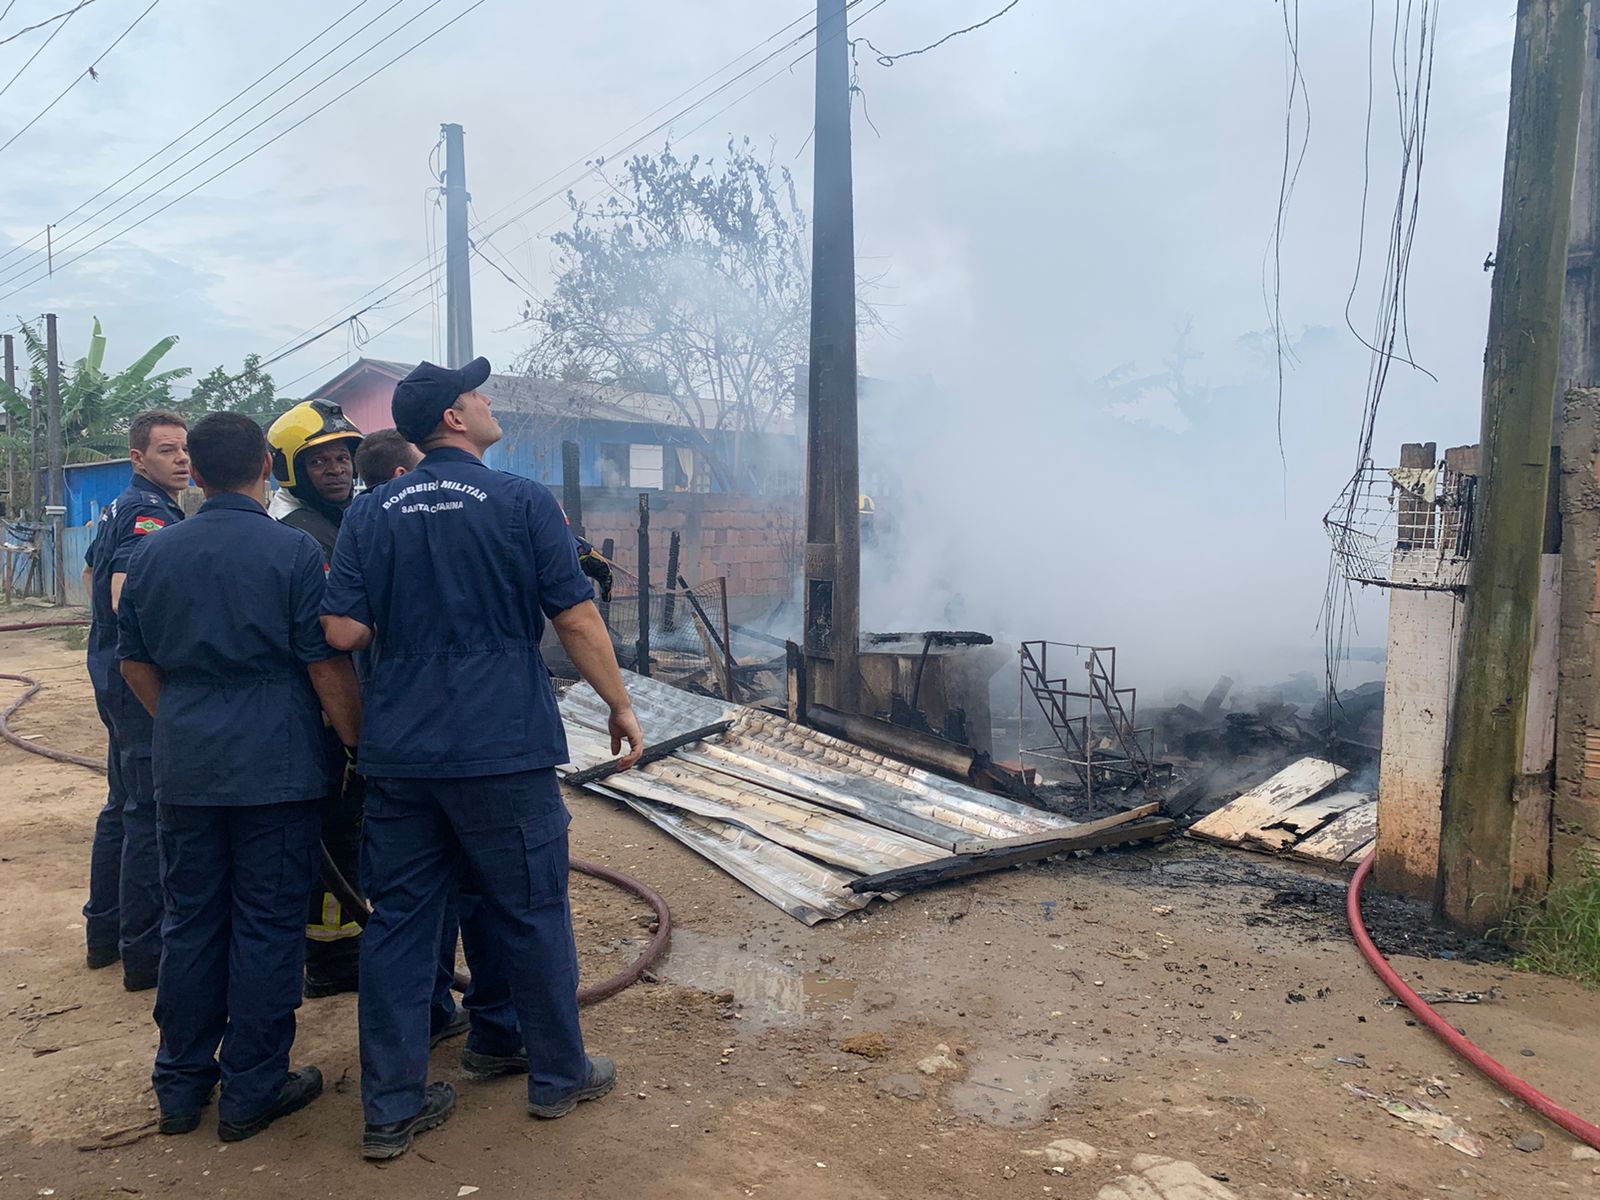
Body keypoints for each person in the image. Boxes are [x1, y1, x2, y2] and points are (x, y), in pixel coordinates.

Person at [321, 357, 643, 1161]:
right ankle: (557, 1075)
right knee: (530, 908)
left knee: (399, 923)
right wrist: (621, 704)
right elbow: (573, 619)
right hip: (502, 744)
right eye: (478, 393)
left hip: (402, 753)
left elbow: (342, 635)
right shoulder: (521, 501)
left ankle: (392, 1107)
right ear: (456, 419)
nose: (488, 398)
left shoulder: (372, 511)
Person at [117, 412, 364, 1142]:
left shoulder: (157, 553)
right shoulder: (290, 552)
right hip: (276, 769)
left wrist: (185, 723)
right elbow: (324, 664)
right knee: (266, 924)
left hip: (186, 766)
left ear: (195, 466)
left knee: (191, 920)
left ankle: (181, 1087)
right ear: (266, 463)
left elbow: (134, 663)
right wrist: (354, 744)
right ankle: (254, 1088)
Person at [82, 410, 189, 990]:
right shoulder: (150, 514)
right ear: (138, 458)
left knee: (121, 804)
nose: (181, 459)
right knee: (147, 813)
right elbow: (126, 594)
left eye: (184, 449)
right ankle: (145, 956)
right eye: (167, 450)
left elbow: (92, 572)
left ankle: (105, 934)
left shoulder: (120, 506)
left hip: (108, 671)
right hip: (134, 678)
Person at [266, 400, 368, 997]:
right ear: (290, 469)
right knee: (336, 831)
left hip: (342, 702)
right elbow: (329, 641)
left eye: (341, 457)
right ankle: (333, 962)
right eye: (321, 461)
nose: (335, 469)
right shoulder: (302, 535)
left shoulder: (346, 520)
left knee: (349, 829)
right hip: (327, 714)